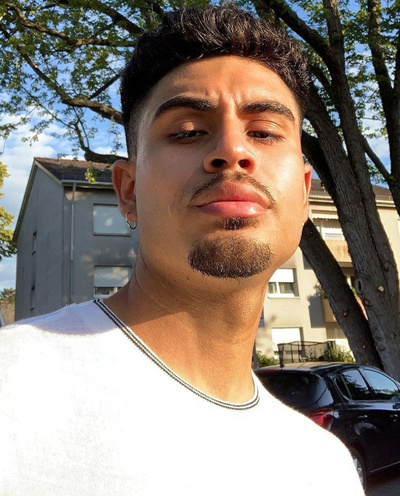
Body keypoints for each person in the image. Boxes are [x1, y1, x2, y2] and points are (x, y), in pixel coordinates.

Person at [0, 6, 364, 495]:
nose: (233, 150)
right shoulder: (12, 389)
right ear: (128, 191)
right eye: (187, 131)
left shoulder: (325, 468)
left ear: (303, 195)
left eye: (263, 132)